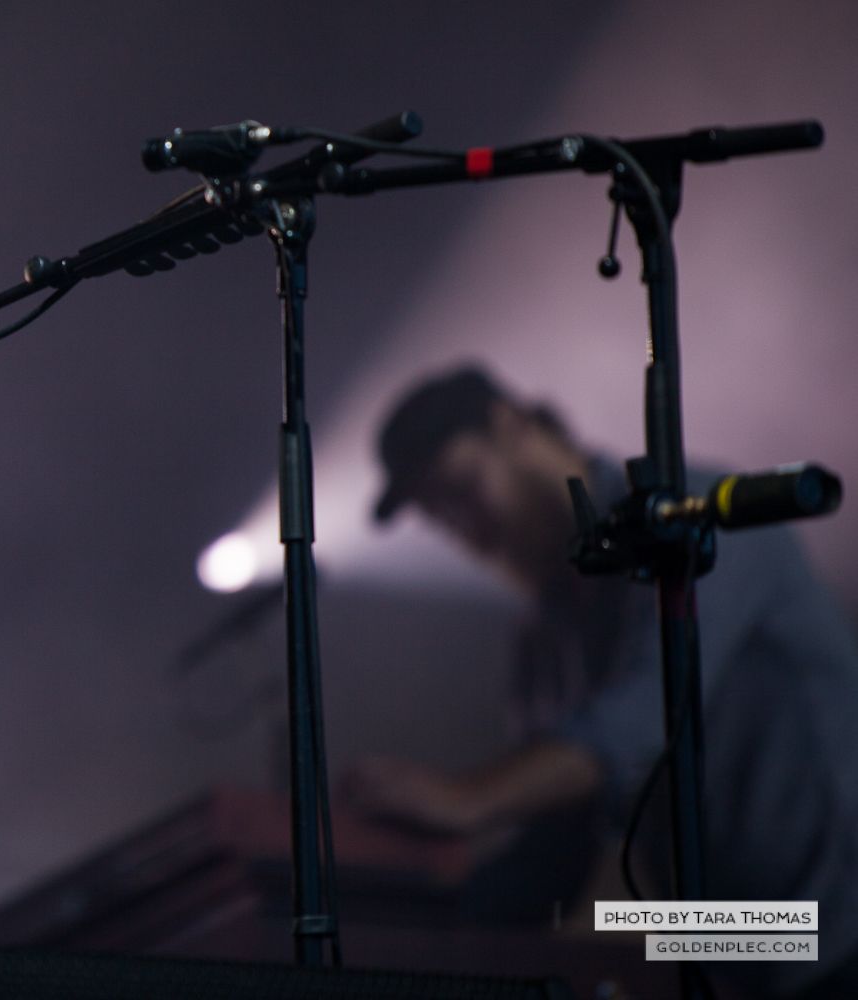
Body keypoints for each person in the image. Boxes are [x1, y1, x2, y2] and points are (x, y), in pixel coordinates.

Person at [348, 364, 858, 999]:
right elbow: (558, 846)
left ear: (513, 426)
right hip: (752, 952)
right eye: (442, 520)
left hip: (837, 928)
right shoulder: (544, 650)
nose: (468, 531)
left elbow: (639, 717)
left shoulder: (698, 520)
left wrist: (468, 796)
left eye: (462, 488)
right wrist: (393, 924)